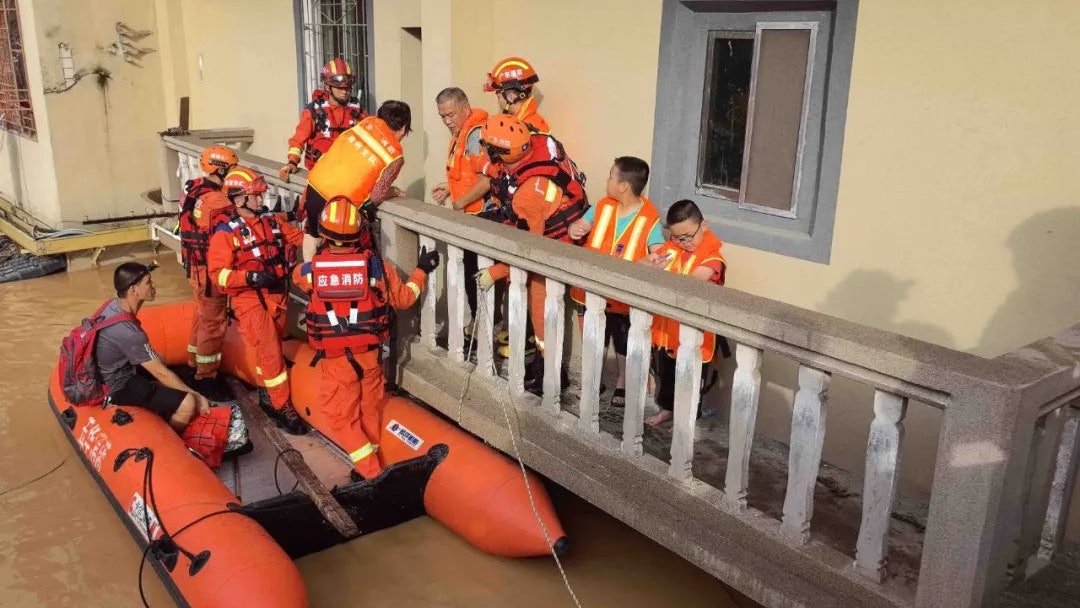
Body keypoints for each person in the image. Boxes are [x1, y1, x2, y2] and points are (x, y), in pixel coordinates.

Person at [293, 195, 439, 479]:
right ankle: (370, 460)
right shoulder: (376, 268)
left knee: (340, 417)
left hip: (336, 360)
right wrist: (421, 270)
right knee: (370, 409)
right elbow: (405, 298)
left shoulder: (310, 272)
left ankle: (371, 472)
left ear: (324, 234)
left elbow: (300, 275)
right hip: (370, 355)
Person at [474, 115, 588, 394]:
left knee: (541, 312)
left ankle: (552, 376)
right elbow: (504, 174)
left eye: (486, 148)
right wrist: (482, 165)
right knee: (542, 316)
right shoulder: (535, 145)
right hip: (555, 234)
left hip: (552, 249)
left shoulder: (527, 197)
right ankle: (545, 366)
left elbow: (529, 251)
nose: (483, 152)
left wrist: (495, 273)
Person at [207, 166, 307, 434]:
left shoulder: (271, 222)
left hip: (277, 295)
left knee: (271, 348)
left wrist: (332, 235)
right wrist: (250, 278)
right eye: (256, 196)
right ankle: (281, 405)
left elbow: (299, 239)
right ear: (240, 199)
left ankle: (267, 390)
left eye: (261, 195)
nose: (261, 200)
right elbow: (219, 276)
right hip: (250, 300)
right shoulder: (226, 234)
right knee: (271, 352)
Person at [568, 157, 664, 407]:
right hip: (591, 289)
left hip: (623, 297)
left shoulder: (649, 217)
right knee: (593, 340)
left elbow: (660, 254)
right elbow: (582, 224)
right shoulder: (602, 206)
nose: (607, 181)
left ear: (623, 186)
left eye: (611, 176)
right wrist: (575, 229)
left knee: (622, 343)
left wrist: (649, 260)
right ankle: (592, 382)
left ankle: (621, 383)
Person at [640, 199, 726, 427]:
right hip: (669, 331)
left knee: (690, 379)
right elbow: (641, 265)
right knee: (666, 376)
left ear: (704, 225)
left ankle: (686, 421)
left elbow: (692, 283)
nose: (683, 243)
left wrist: (662, 274)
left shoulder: (713, 259)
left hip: (696, 335)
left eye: (688, 236)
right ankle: (667, 410)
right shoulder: (672, 248)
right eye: (677, 237)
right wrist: (650, 264)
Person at [97, 262, 211, 431]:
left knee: (160, 360)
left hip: (112, 371)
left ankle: (162, 407)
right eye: (148, 282)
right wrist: (197, 397)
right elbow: (161, 373)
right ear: (133, 290)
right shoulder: (129, 332)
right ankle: (175, 441)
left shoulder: (111, 307)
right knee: (188, 403)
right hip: (118, 387)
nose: (154, 285)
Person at [300, 100, 411, 263]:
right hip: (340, 204)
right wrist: (394, 191)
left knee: (313, 234)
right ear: (403, 128)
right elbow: (376, 196)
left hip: (315, 186)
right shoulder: (395, 157)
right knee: (343, 252)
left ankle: (310, 278)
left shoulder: (364, 124)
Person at [177, 145, 237, 394]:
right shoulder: (218, 201)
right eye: (232, 169)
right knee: (213, 322)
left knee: (201, 315)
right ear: (221, 169)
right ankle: (206, 377)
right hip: (209, 271)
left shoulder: (193, 188)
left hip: (194, 265)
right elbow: (234, 228)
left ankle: (193, 362)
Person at [279, 57, 367, 180]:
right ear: (327, 87)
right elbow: (298, 140)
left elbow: (368, 139)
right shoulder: (314, 111)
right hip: (319, 174)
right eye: (339, 88)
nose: (344, 92)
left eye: (347, 88)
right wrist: (292, 162)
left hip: (348, 174)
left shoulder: (357, 111)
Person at [483, 56, 549, 133]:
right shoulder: (524, 122)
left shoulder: (526, 131)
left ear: (511, 97)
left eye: (498, 97)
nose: (498, 102)